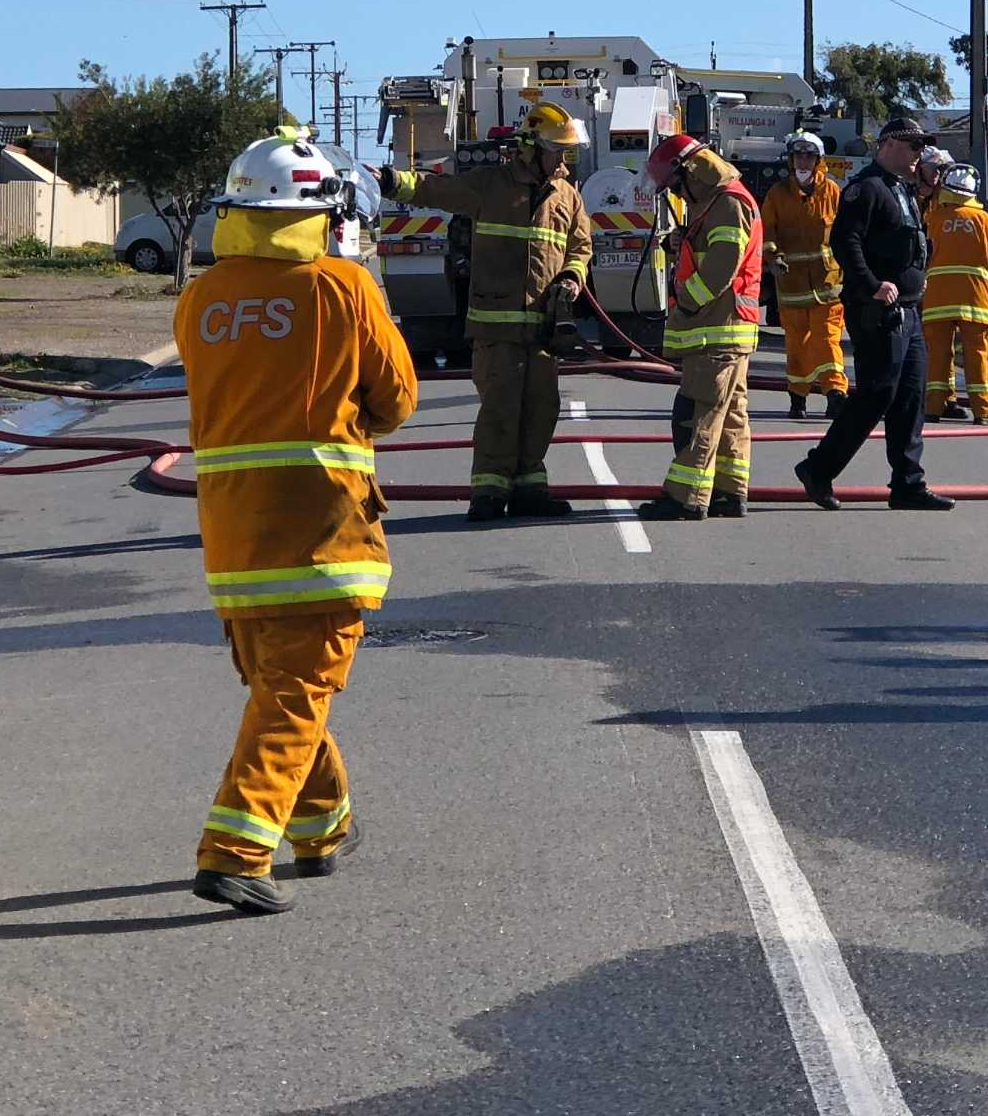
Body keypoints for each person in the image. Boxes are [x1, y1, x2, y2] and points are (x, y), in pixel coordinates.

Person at [176, 131, 417, 915]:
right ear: (324, 213)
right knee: (295, 694)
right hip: (323, 536)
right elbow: (397, 401)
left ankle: (323, 826)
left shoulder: (201, 300)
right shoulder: (343, 288)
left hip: (233, 540)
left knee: (284, 688)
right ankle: (237, 852)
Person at [377, 99, 592, 523]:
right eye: (555, 149)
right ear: (530, 147)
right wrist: (388, 180)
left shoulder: (567, 196)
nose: (561, 158)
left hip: (543, 330)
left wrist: (571, 278)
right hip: (496, 327)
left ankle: (531, 488)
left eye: (565, 151)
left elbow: (580, 248)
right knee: (500, 408)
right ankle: (489, 493)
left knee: (541, 409)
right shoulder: (490, 185)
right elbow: (434, 189)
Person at [793, 113, 951, 511]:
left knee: (911, 397)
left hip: (909, 310)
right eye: (914, 146)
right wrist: (871, 284)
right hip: (878, 311)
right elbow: (846, 242)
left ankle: (908, 484)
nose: (920, 154)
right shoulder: (866, 190)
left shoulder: (902, 189)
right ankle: (819, 468)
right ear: (890, 145)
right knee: (877, 393)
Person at [639, 133, 764, 520]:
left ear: (691, 172)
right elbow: (713, 253)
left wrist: (687, 304)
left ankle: (685, 497)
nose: (676, 194)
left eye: (675, 186)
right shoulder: (714, 203)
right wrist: (684, 243)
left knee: (700, 413)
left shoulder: (727, 203)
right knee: (730, 416)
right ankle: (729, 491)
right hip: (726, 330)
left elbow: (721, 268)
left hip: (716, 330)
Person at [762, 130, 846, 418]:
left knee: (826, 339)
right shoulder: (777, 194)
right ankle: (798, 399)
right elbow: (767, 232)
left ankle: (836, 394)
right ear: (790, 158)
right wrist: (773, 258)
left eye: (809, 155)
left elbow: (846, 235)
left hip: (828, 286)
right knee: (797, 346)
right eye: (798, 154)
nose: (803, 160)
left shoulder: (833, 192)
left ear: (819, 160)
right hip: (791, 287)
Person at [923, 161, 988, 421]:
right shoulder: (984, 219)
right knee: (977, 355)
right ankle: (984, 411)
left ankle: (933, 408)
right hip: (974, 297)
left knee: (938, 356)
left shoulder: (935, 217)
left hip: (938, 298)